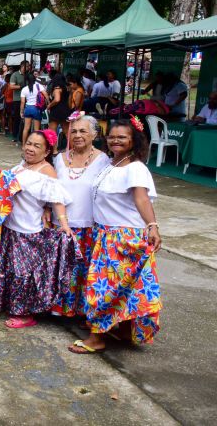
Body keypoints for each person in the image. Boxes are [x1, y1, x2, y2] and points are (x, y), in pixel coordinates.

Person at [70, 117, 162, 353]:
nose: (116, 140)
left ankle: (96, 338)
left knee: (102, 288)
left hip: (122, 238)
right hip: (105, 234)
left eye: (122, 137)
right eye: (112, 136)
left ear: (134, 140)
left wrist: (152, 225)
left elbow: (141, 198)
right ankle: (120, 329)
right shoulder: (112, 163)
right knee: (119, 289)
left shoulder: (135, 168)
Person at [0, 130, 74, 328]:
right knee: (10, 270)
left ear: (47, 151)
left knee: (24, 274)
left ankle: (24, 314)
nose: (30, 148)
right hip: (11, 228)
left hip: (28, 231)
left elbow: (56, 199)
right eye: (29, 143)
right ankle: (11, 306)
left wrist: (64, 224)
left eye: (37, 146)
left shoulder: (46, 170)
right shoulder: (21, 166)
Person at [49, 113, 110, 319]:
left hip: (88, 226)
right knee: (61, 270)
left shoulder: (103, 160)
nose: (77, 135)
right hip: (60, 224)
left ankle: (83, 313)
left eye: (83, 131)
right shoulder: (59, 158)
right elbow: (50, 189)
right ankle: (59, 308)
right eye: (73, 131)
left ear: (94, 134)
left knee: (83, 271)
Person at [19, 71, 46, 145]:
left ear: (27, 80)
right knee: (36, 129)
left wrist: (21, 111)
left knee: (26, 128)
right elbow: (46, 95)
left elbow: (22, 102)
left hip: (27, 109)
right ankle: (36, 144)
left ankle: (24, 145)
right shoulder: (39, 86)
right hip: (36, 108)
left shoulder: (24, 89)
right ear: (34, 79)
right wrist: (48, 104)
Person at [46, 70, 71, 143]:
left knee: (52, 132)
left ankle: (54, 151)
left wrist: (49, 105)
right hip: (66, 110)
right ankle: (72, 149)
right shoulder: (66, 89)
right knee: (67, 132)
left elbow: (57, 99)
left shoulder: (57, 89)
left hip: (56, 111)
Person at [8, 63, 27, 142]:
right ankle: (15, 135)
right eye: (27, 66)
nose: (28, 68)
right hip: (17, 99)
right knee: (17, 118)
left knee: (26, 120)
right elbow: (11, 86)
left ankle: (23, 136)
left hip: (27, 100)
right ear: (22, 66)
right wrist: (21, 86)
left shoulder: (28, 74)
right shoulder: (15, 75)